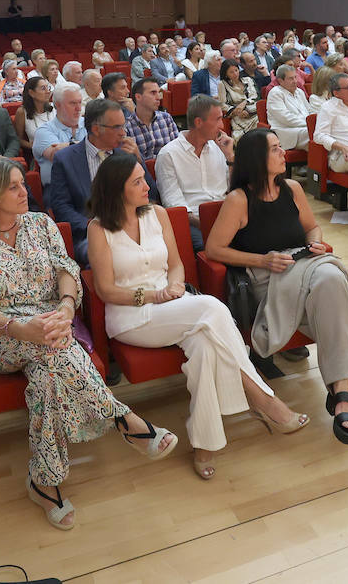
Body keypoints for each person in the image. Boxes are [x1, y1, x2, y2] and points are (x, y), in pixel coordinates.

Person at [0, 159, 178, 531]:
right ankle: (125, 420)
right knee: (56, 347)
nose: (26, 192)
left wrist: (66, 308)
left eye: (23, 184)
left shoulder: (40, 226)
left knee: (47, 376)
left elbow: (67, 271)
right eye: (14, 187)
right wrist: (25, 329)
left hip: (52, 323)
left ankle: (45, 483)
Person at [87, 153, 308, 480]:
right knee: (213, 308)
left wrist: (174, 285)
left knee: (206, 346)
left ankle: (205, 443)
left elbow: (176, 263)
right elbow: (104, 290)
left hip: (173, 306)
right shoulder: (99, 228)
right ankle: (262, 397)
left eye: (143, 178)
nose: (147, 185)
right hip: (132, 317)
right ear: (116, 189)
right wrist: (153, 295)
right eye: (137, 182)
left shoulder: (158, 214)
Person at [204, 130, 348, 446]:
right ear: (257, 159)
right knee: (338, 297)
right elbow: (214, 249)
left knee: (331, 280)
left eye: (281, 146)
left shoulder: (293, 188)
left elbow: (312, 227)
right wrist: (263, 260)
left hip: (305, 268)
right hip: (271, 281)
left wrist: (314, 243)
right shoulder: (238, 199)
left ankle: (342, 396)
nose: (284, 152)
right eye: (275, 148)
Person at [47, 99, 148, 265]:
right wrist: (92, 226)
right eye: (117, 127)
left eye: (124, 126)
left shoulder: (126, 154)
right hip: (88, 232)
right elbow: (61, 206)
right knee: (109, 256)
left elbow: (149, 194)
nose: (124, 133)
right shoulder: (65, 159)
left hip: (131, 227)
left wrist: (138, 158)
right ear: (96, 129)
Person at [155, 94, 235, 250]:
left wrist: (230, 157)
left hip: (227, 215)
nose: (223, 126)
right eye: (217, 119)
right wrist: (207, 224)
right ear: (199, 122)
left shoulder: (220, 148)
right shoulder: (169, 154)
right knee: (211, 246)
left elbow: (235, 190)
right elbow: (174, 203)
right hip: (194, 221)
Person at [33, 83, 87, 185]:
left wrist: (69, 146)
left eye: (80, 102)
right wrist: (90, 146)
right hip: (60, 191)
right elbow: (59, 156)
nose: (79, 108)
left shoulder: (90, 124)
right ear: (57, 105)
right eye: (73, 103)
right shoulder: (44, 131)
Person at [125, 77, 180, 161]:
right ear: (138, 97)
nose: (158, 97)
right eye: (153, 93)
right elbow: (128, 161)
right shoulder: (126, 126)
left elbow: (177, 149)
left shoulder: (166, 118)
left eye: (159, 93)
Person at [267, 63, 312, 150]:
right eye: (291, 78)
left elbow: (309, 110)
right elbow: (285, 118)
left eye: (295, 77)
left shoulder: (299, 92)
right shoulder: (275, 93)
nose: (295, 81)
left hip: (304, 127)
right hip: (286, 131)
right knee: (315, 133)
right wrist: (309, 124)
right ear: (280, 81)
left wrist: (314, 122)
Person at [217, 58, 259, 140]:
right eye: (231, 72)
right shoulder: (222, 84)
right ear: (226, 74)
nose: (235, 74)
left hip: (253, 112)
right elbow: (222, 104)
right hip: (237, 116)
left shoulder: (248, 80)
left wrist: (244, 105)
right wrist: (236, 111)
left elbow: (255, 97)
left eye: (236, 70)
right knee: (239, 137)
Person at [14, 77, 54, 155]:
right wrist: (31, 145)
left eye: (48, 88)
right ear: (31, 93)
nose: (48, 91)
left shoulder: (55, 107)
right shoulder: (22, 112)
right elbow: (18, 139)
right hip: (39, 154)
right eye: (43, 88)